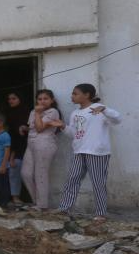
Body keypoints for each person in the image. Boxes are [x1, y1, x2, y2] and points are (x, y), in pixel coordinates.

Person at [58, 84, 120, 222]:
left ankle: (101, 213)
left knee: (98, 183)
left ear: (86, 95)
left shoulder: (99, 109)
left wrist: (105, 110)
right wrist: (63, 126)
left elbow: (117, 119)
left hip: (97, 152)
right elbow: (74, 133)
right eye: (72, 93)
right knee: (72, 179)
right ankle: (64, 209)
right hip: (79, 151)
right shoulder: (75, 113)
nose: (72, 96)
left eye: (75, 93)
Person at [19, 90, 63, 211]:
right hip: (31, 143)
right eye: (39, 99)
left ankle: (42, 205)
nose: (42, 101)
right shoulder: (33, 111)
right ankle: (37, 202)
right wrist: (25, 128)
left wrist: (38, 113)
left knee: (41, 174)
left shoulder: (53, 112)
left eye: (45, 99)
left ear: (52, 100)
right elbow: (33, 128)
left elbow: (40, 128)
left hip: (45, 143)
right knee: (26, 173)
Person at [4, 92, 30, 206]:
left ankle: (23, 197)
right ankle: (14, 197)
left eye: (14, 98)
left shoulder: (26, 112)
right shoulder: (9, 113)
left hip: (23, 148)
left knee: (23, 173)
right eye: (9, 99)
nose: (11, 101)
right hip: (12, 147)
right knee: (13, 172)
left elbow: (22, 136)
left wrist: (13, 155)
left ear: (20, 99)